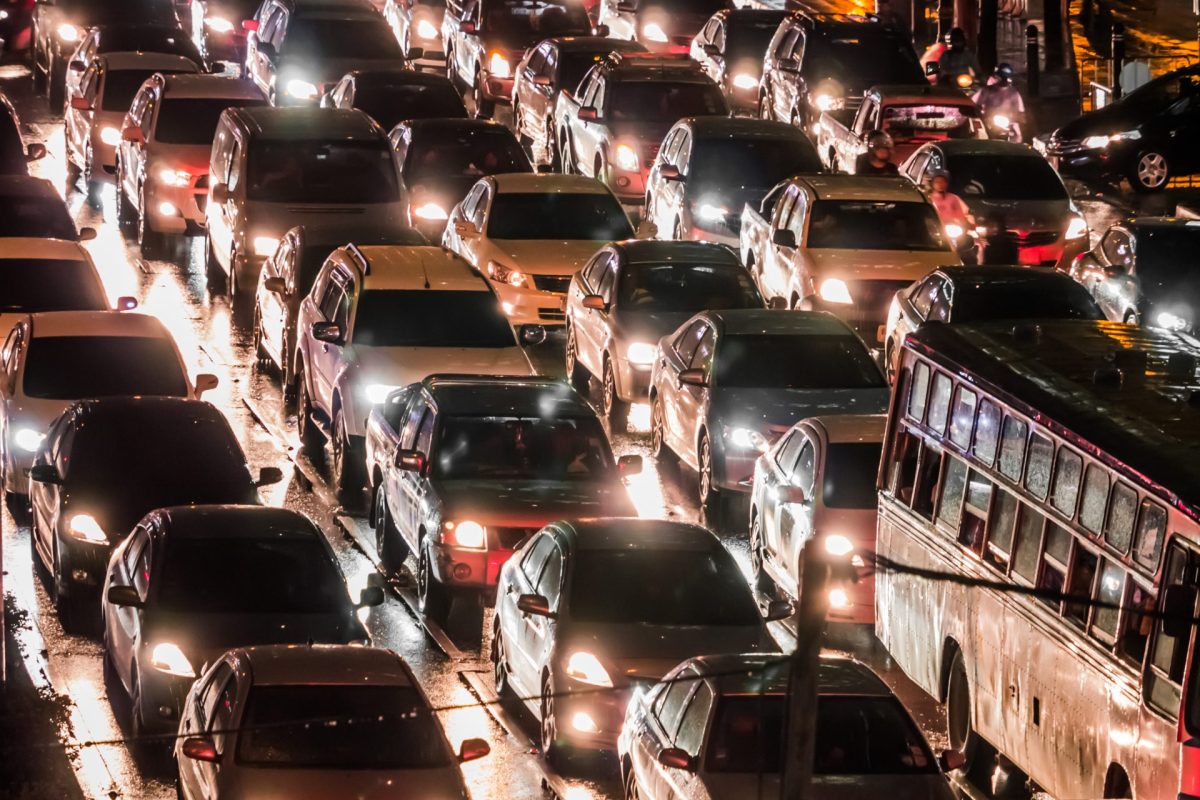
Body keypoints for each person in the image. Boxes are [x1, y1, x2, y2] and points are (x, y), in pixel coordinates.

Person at [973, 63, 1026, 141]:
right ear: (997, 77)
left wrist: (1021, 118)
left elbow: (1020, 110)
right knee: (980, 137)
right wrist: (978, 111)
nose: (1004, 81)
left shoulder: (1013, 92)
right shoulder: (987, 90)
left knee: (1018, 137)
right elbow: (975, 103)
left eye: (1006, 78)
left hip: (1009, 123)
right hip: (989, 122)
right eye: (1002, 78)